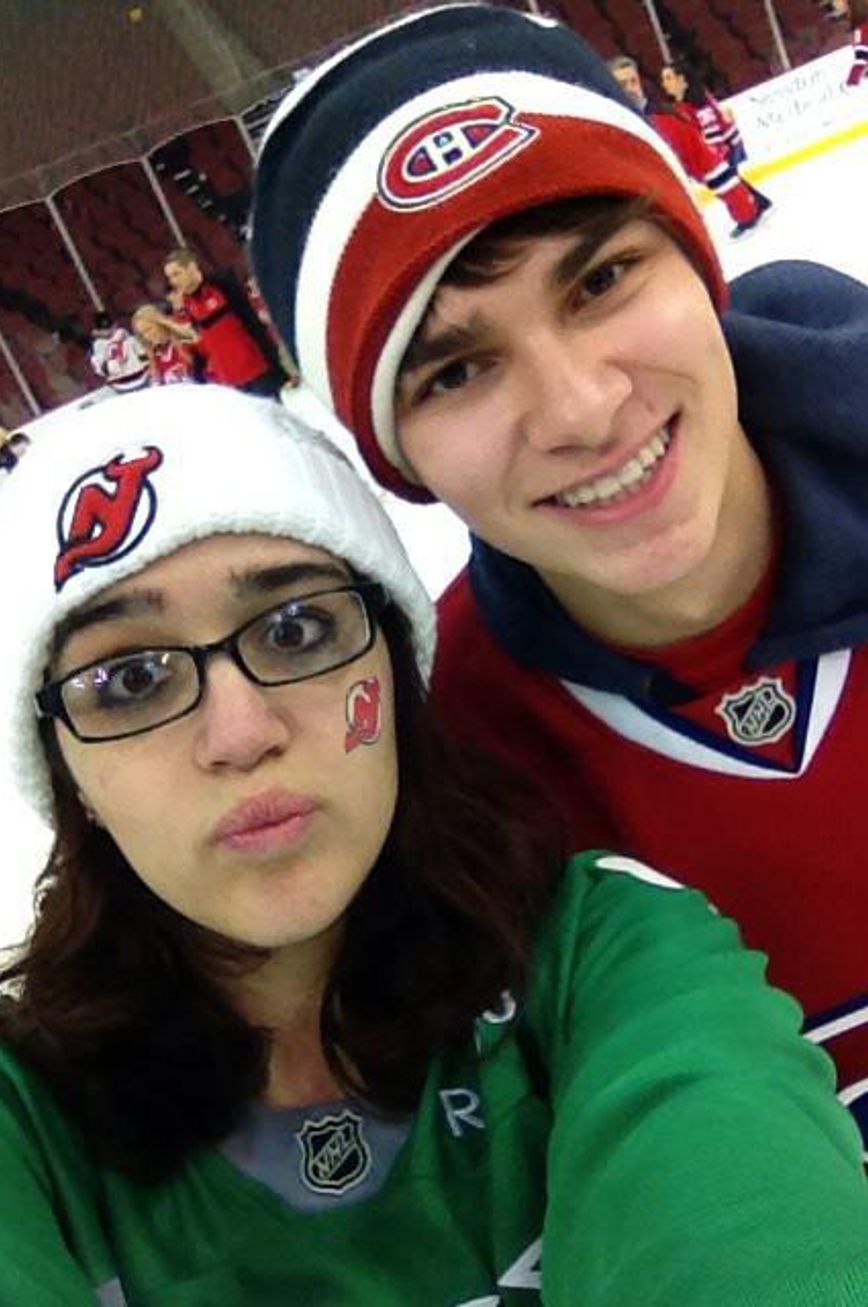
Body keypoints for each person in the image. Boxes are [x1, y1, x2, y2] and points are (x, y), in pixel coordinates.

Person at [0, 383, 868, 1304]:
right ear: (68, 774)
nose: (242, 732)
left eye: (296, 628)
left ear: (396, 670)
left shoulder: (607, 956)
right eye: (130, 681)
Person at [250, 2, 868, 1148]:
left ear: (696, 264)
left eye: (600, 281)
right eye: (455, 371)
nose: (580, 410)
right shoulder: (444, 790)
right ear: (398, 456)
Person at [608, 54, 763, 237]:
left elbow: (708, 166)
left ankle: (750, 210)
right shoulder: (613, 122)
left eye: (633, 81)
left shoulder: (664, 118)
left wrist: (745, 213)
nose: (630, 88)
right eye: (622, 84)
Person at [163, 246, 287, 396]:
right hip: (231, 381)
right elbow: (202, 343)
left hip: (257, 370)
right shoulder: (187, 304)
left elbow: (252, 323)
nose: (173, 281)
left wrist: (275, 365)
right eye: (170, 277)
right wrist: (198, 376)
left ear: (192, 267)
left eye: (176, 274)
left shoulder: (222, 285)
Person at [660, 60, 772, 215]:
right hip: (721, 145)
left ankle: (752, 209)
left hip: (725, 145)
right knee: (730, 180)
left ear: (681, 79)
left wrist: (714, 156)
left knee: (727, 181)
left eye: (668, 78)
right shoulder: (683, 103)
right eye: (663, 79)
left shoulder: (696, 101)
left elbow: (712, 130)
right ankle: (759, 203)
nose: (664, 83)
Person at [131, 301, 198, 385]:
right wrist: (152, 360)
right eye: (143, 334)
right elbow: (157, 384)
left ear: (159, 323)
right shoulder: (156, 355)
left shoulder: (185, 343)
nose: (147, 336)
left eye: (148, 329)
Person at [87, 310, 150, 394]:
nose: (107, 331)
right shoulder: (130, 339)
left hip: (120, 385)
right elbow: (145, 357)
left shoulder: (97, 347)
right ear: (115, 324)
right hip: (141, 379)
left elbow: (101, 372)